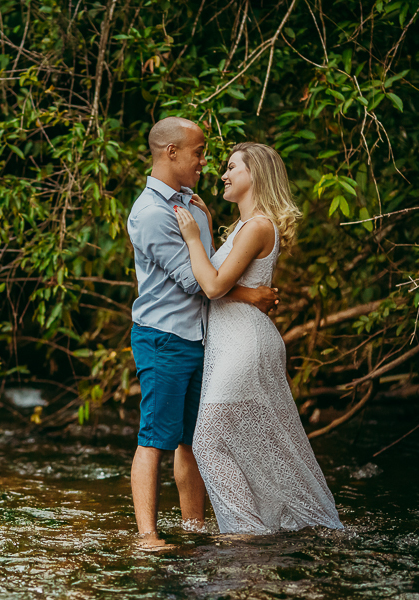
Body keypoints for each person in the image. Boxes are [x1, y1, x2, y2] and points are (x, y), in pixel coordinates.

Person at [175, 142, 343, 534]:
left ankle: (246, 537)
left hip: (243, 345)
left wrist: (193, 239)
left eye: (232, 167)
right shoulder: (244, 228)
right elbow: (221, 279)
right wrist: (209, 224)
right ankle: (259, 532)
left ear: (256, 175)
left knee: (208, 443)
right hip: (236, 341)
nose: (223, 174)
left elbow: (214, 286)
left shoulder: (259, 226)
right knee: (242, 444)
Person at [126, 118, 279, 549]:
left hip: (203, 338)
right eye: (198, 152)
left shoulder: (193, 204)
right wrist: (249, 295)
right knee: (154, 439)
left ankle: (193, 529)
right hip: (164, 338)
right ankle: (148, 537)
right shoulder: (152, 214)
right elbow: (199, 282)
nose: (204, 161)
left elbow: (210, 264)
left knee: (194, 441)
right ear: (171, 152)